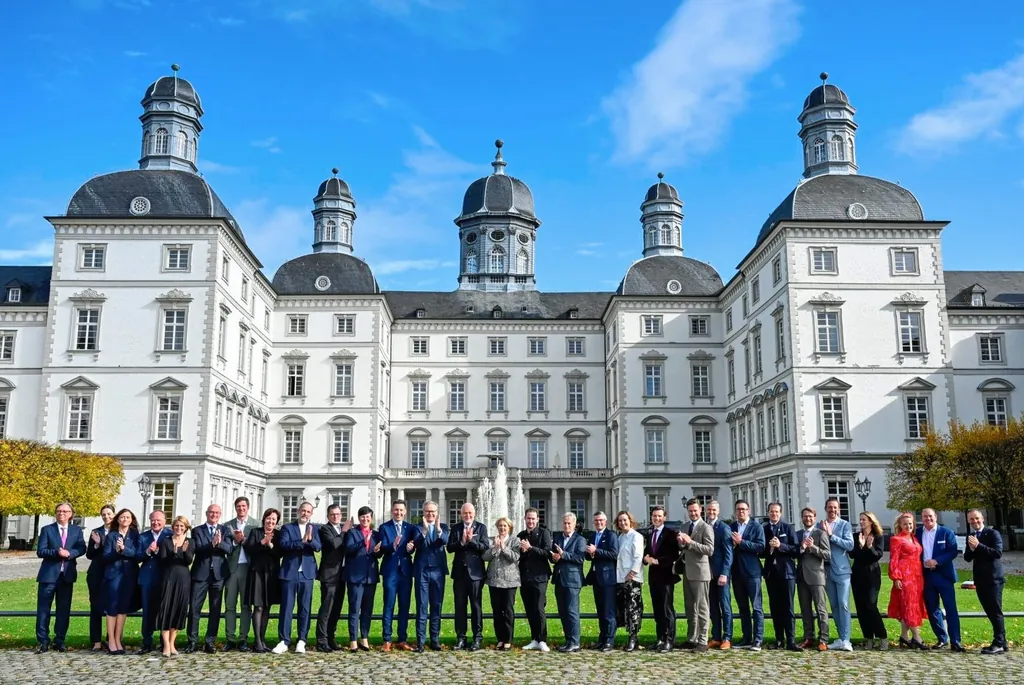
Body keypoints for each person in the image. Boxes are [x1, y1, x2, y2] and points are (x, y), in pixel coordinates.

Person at [34, 502, 86, 653]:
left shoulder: (76, 531)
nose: (61, 513)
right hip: (48, 576)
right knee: (44, 610)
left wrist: (70, 554)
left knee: (63, 610)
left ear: (71, 514)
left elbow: (81, 548)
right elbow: (41, 551)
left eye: (65, 511)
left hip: (67, 576)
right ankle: (43, 641)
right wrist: (57, 552)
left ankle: (59, 640)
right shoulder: (47, 530)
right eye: (58, 511)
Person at [273, 500, 321, 654]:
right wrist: (301, 542)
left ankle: (302, 639)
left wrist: (310, 540)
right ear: (298, 511)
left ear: (311, 514)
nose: (305, 514)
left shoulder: (314, 528)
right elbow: (284, 545)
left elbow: (318, 547)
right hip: (289, 572)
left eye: (308, 511)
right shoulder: (287, 527)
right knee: (286, 607)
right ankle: (284, 640)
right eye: (303, 511)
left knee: (305, 608)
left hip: (307, 573)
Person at [186, 503, 232, 654]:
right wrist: (212, 544)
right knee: (194, 608)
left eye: (217, 513)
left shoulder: (224, 530)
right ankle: (192, 641)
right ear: (206, 513)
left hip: (218, 575)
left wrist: (218, 544)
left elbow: (229, 548)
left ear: (220, 514)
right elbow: (198, 548)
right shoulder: (197, 530)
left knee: (215, 609)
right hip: (201, 574)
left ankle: (210, 641)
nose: (214, 515)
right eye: (211, 512)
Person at [916, 508, 963, 651]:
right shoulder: (917, 533)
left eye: (930, 516)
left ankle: (956, 641)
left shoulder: (946, 532)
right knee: (932, 609)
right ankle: (942, 639)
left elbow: (953, 551)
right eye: (925, 517)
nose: (927, 519)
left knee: (951, 609)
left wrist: (937, 560)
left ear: (935, 517)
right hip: (927, 576)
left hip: (944, 575)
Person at [447, 502, 489, 651]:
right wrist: (462, 542)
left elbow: (485, 547)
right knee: (460, 607)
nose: (467, 516)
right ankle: (461, 638)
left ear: (474, 514)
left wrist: (471, 541)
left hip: (475, 574)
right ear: (461, 514)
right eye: (465, 513)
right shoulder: (456, 528)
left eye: (470, 513)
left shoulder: (481, 527)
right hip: (459, 574)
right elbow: (450, 548)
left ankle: (477, 638)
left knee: (476, 607)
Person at [965, 509, 1006, 654]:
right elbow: (967, 557)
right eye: (971, 520)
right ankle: (1003, 641)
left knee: (995, 611)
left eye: (976, 518)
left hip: (994, 578)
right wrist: (971, 548)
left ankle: (999, 642)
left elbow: (997, 553)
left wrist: (978, 546)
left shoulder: (992, 533)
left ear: (982, 518)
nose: (974, 522)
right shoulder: (971, 536)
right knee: (989, 611)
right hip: (980, 579)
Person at [677, 498, 714, 652]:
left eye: (695, 511)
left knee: (702, 607)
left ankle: (703, 640)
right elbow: (682, 546)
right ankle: (692, 637)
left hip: (700, 572)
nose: (693, 513)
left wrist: (690, 542)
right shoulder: (685, 526)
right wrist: (681, 542)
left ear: (701, 511)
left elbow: (709, 550)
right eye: (690, 511)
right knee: (690, 606)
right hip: (687, 570)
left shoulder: (706, 527)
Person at [762, 502, 801, 651]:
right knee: (775, 607)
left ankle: (791, 640)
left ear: (781, 513)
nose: (774, 514)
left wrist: (781, 546)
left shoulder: (787, 528)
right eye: (771, 512)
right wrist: (770, 548)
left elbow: (796, 550)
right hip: (771, 573)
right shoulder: (764, 529)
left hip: (787, 573)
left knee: (788, 607)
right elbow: (760, 550)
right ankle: (779, 639)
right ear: (768, 513)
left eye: (777, 512)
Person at [378, 499, 415, 652]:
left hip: (405, 571)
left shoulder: (410, 528)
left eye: (401, 510)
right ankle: (387, 639)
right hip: (390, 570)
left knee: (404, 606)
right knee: (389, 605)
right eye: (396, 510)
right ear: (392, 511)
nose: (398, 512)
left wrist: (410, 548)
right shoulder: (384, 527)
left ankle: (402, 639)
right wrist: (392, 545)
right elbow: (382, 548)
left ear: (405, 511)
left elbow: (413, 547)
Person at [344, 506, 382, 651]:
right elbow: (348, 549)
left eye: (368, 517)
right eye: (362, 517)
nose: (365, 520)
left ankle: (364, 637)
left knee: (367, 609)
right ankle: (353, 639)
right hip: (355, 576)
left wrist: (378, 551)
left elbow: (377, 554)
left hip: (370, 576)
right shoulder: (353, 532)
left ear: (371, 519)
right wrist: (363, 541)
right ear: (359, 518)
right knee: (354, 608)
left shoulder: (376, 534)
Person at [887, 512, 928, 649]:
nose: (908, 526)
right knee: (909, 605)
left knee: (909, 605)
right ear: (900, 525)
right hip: (905, 576)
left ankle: (904, 636)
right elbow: (894, 559)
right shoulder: (896, 539)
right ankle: (917, 637)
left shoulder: (914, 538)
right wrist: (896, 577)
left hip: (917, 576)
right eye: (905, 524)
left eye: (910, 524)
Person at [244, 508, 282, 653]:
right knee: (258, 606)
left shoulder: (278, 535)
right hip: (257, 572)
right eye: (268, 518)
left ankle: (262, 639)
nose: (270, 521)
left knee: (267, 606)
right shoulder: (256, 532)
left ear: (276, 522)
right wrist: (262, 542)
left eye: (273, 519)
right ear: (264, 519)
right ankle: (257, 641)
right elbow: (249, 549)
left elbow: (279, 553)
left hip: (271, 573)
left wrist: (270, 544)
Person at [643, 505, 680, 652]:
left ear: (664, 517)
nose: (656, 518)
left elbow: (674, 556)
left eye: (659, 516)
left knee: (667, 610)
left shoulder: (670, 534)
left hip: (666, 577)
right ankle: (660, 638)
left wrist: (657, 561)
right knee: (657, 610)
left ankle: (669, 640)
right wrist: (646, 559)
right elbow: (647, 552)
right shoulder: (650, 533)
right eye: (654, 516)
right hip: (653, 577)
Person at [224, 496, 259, 652]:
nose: (241, 509)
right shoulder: (228, 525)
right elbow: (225, 547)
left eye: (243, 506)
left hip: (248, 568)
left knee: (246, 606)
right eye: (238, 506)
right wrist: (234, 542)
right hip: (232, 568)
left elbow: (256, 546)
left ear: (248, 507)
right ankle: (230, 638)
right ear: (235, 508)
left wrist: (244, 540)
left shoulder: (255, 525)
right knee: (230, 605)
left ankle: (243, 637)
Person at [412, 500, 448, 652]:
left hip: (438, 571)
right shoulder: (417, 528)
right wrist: (425, 531)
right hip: (422, 572)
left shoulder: (444, 527)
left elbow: (445, 541)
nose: (430, 514)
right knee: (422, 606)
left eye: (433, 512)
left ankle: (435, 639)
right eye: (427, 512)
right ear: (423, 513)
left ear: (437, 513)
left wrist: (438, 530)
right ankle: (420, 641)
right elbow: (418, 545)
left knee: (436, 606)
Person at [103, 508, 140, 655]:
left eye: (128, 517)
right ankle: (111, 640)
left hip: (129, 575)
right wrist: (116, 552)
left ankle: (118, 639)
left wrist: (124, 550)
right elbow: (105, 556)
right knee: (112, 607)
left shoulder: (135, 535)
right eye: (122, 517)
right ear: (117, 519)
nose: (125, 519)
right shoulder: (111, 536)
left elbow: (138, 554)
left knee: (123, 607)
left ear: (131, 520)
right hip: (113, 575)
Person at [156, 515, 194, 657]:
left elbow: (188, 561)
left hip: (183, 579)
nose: (179, 529)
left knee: (178, 610)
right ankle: (166, 645)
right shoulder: (166, 542)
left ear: (186, 528)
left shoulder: (190, 542)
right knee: (166, 609)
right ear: (172, 528)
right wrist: (175, 551)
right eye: (176, 526)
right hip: (168, 578)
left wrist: (183, 551)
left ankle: (172, 643)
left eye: (181, 526)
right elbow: (163, 560)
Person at [729, 500, 765, 651]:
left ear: (748, 511)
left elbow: (761, 546)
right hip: (737, 572)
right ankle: (746, 638)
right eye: (738, 509)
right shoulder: (731, 527)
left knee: (756, 607)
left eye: (744, 509)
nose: (741, 512)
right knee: (743, 607)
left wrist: (742, 542)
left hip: (752, 572)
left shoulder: (756, 527)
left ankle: (758, 639)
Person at [821, 497, 854, 652]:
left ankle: (847, 639)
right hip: (826, 571)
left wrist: (832, 536)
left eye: (835, 507)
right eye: (829, 507)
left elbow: (850, 544)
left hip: (842, 570)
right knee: (834, 605)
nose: (832, 510)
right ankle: (841, 638)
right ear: (826, 508)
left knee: (844, 604)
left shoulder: (844, 525)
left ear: (838, 509)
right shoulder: (820, 525)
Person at [483, 516, 521, 650]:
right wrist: (495, 549)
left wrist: (504, 548)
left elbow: (515, 557)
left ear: (509, 528)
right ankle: (500, 638)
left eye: (505, 526)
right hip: (494, 580)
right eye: (500, 526)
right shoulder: (491, 540)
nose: (502, 528)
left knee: (508, 611)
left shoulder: (515, 540)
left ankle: (508, 639)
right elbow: (485, 556)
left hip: (510, 581)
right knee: (497, 611)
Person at [517, 507, 552, 652]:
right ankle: (534, 639)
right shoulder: (521, 535)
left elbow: (547, 553)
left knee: (539, 608)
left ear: (537, 519)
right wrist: (522, 551)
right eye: (528, 518)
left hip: (540, 576)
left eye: (533, 518)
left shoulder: (544, 533)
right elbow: (518, 556)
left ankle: (542, 639)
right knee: (530, 609)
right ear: (524, 519)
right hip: (525, 577)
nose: (530, 521)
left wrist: (530, 548)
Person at [316, 504, 350, 652]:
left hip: (341, 574)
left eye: (337, 514)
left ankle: (331, 638)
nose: (335, 516)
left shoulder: (342, 530)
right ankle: (321, 641)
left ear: (341, 515)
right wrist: (344, 532)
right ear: (328, 515)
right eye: (332, 514)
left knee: (336, 609)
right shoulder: (325, 529)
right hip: (329, 575)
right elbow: (334, 543)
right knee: (326, 608)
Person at [795, 506, 831, 651]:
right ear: (802, 518)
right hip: (801, 576)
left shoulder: (820, 534)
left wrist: (813, 547)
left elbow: (828, 555)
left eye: (810, 516)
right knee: (805, 609)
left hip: (817, 576)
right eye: (805, 516)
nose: (807, 519)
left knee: (821, 609)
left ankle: (823, 639)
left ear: (814, 518)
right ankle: (809, 637)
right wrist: (802, 548)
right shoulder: (797, 534)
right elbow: (793, 553)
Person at [851, 512, 888, 650]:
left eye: (864, 520)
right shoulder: (856, 536)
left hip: (872, 576)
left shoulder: (877, 537)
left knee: (871, 606)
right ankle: (869, 638)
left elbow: (876, 556)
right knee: (861, 608)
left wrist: (868, 546)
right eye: (860, 519)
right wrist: (861, 546)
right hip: (857, 575)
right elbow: (852, 554)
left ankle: (882, 636)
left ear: (871, 521)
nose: (861, 522)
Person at [551, 512, 586, 652]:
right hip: (559, 578)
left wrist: (563, 555)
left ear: (574, 524)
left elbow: (580, 558)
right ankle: (568, 640)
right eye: (565, 523)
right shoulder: (558, 538)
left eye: (569, 523)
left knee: (572, 611)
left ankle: (575, 641)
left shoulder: (580, 540)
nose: (566, 525)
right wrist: (553, 558)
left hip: (573, 580)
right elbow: (555, 556)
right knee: (563, 611)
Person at [136, 510, 169, 654]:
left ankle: (164, 642)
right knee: (147, 611)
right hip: (148, 577)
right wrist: (148, 551)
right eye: (153, 520)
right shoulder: (143, 537)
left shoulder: (169, 535)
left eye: (158, 520)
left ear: (164, 521)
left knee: (163, 610)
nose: (155, 523)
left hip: (164, 577)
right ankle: (147, 642)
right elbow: (136, 557)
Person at [585, 511, 619, 651]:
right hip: (597, 577)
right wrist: (589, 553)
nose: (598, 523)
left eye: (601, 520)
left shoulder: (611, 535)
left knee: (608, 611)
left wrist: (596, 551)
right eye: (596, 521)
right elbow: (589, 556)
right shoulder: (593, 535)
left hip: (608, 578)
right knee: (600, 610)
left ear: (606, 521)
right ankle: (602, 638)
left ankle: (610, 640)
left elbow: (614, 554)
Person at [85, 505, 115, 652]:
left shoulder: (118, 531)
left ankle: (112, 639)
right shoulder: (95, 532)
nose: (106, 517)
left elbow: (114, 550)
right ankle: (96, 640)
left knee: (112, 607)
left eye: (109, 514)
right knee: (95, 607)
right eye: (103, 514)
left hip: (113, 573)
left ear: (114, 515)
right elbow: (89, 554)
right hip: (96, 573)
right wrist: (96, 545)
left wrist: (101, 544)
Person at [614, 511, 644, 652]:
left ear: (630, 521)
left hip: (632, 578)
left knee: (634, 608)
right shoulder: (620, 537)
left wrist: (632, 573)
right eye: (620, 521)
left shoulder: (636, 536)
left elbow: (638, 556)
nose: (622, 523)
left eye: (625, 520)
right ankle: (632, 637)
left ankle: (633, 637)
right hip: (621, 577)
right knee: (625, 608)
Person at [705, 501, 733, 650]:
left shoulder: (723, 528)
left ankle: (727, 637)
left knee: (725, 606)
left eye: (714, 510)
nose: (711, 512)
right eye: (709, 509)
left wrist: (725, 573)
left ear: (718, 510)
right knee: (713, 607)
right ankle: (716, 636)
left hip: (721, 574)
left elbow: (729, 554)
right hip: (708, 573)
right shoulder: (705, 526)